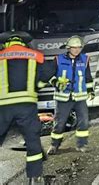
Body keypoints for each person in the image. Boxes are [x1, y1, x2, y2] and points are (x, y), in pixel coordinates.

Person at [0, 31, 53, 184]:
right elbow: (49, 71)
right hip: (26, 106)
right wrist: (38, 86)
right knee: (32, 141)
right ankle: (34, 178)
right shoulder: (35, 55)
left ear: (6, 43)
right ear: (23, 43)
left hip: (3, 107)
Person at [47, 35, 94, 155]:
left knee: (83, 121)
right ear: (68, 48)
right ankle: (54, 145)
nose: (77, 50)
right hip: (63, 97)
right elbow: (49, 76)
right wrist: (56, 83)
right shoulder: (58, 59)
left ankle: (82, 144)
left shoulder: (85, 59)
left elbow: (88, 78)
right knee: (59, 123)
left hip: (80, 97)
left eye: (79, 47)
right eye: (74, 48)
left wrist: (91, 91)